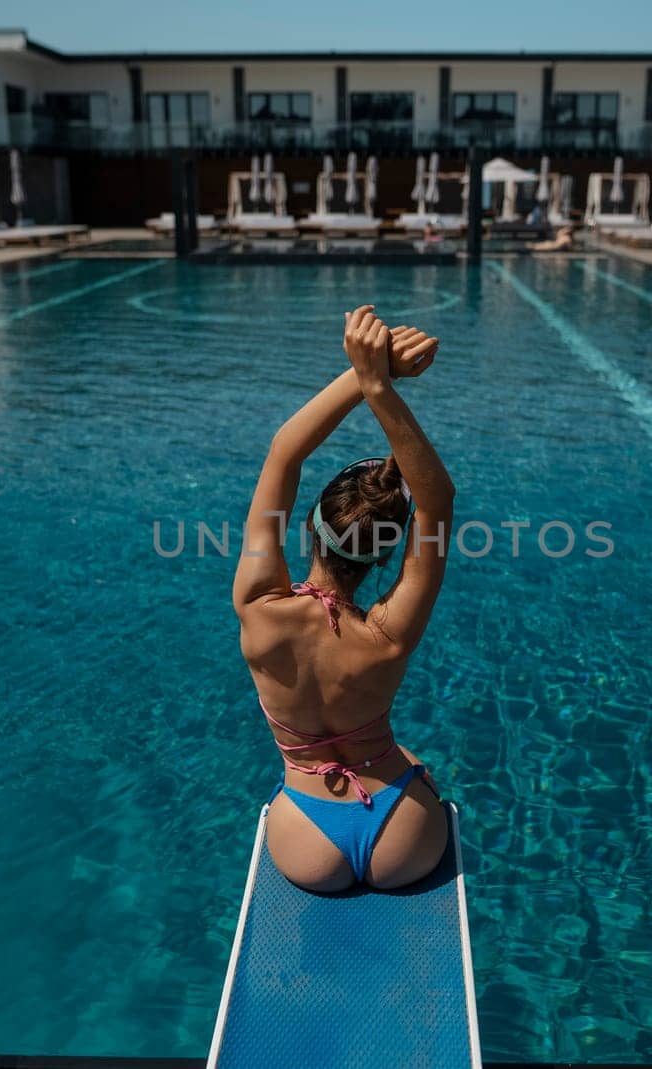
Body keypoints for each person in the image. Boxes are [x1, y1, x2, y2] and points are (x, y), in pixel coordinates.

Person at [234, 305, 453, 893]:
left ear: (309, 523)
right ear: (385, 556)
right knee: (401, 754)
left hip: (305, 838)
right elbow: (435, 501)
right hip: (403, 834)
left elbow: (285, 452)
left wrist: (363, 374)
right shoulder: (387, 634)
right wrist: (382, 390)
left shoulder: (259, 609)